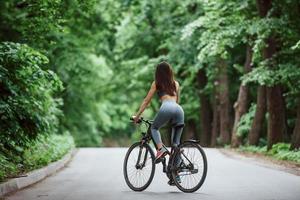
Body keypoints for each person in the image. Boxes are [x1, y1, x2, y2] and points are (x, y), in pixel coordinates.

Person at [132, 61, 185, 163]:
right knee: (176, 144)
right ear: (170, 72)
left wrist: (137, 116)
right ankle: (176, 175)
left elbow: (146, 101)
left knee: (154, 128)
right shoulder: (176, 84)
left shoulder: (157, 83)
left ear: (158, 73)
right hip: (179, 110)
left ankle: (160, 150)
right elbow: (177, 101)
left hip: (166, 108)